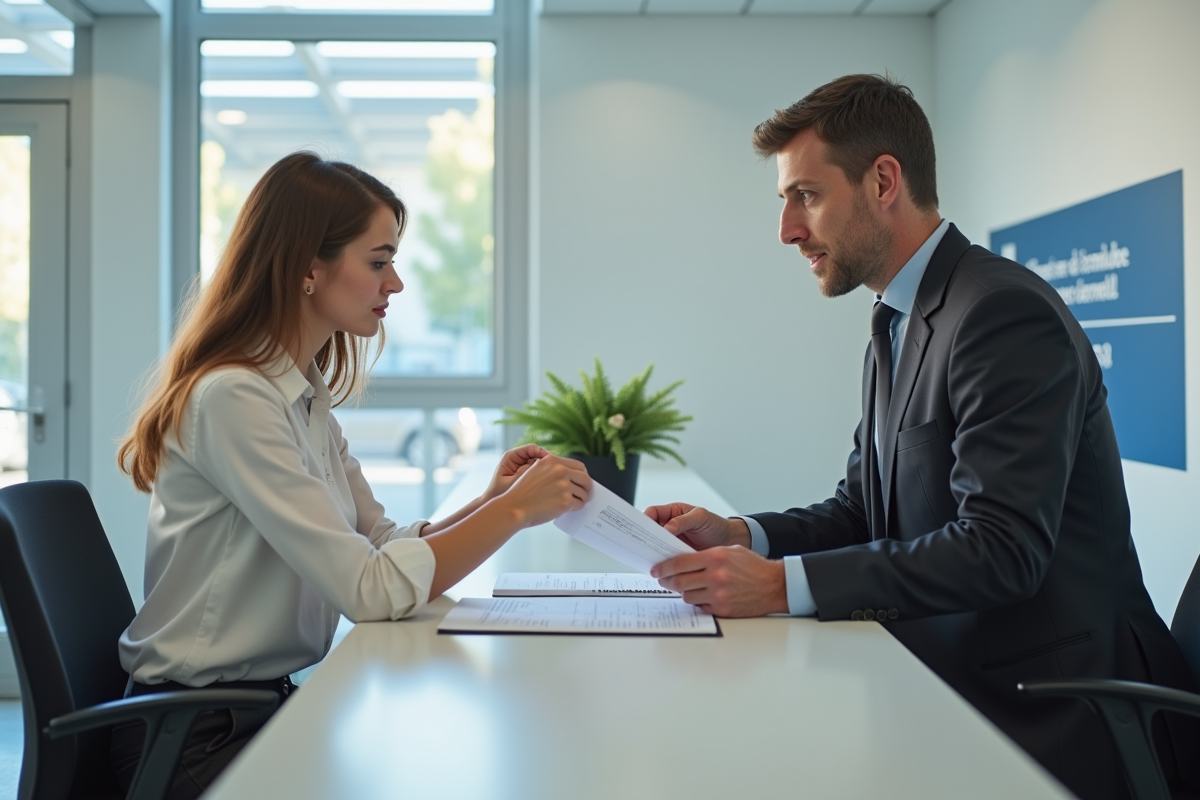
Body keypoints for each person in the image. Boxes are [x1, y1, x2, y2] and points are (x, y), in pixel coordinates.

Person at [644, 74, 1198, 800]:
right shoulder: (897, 318)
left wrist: (779, 587)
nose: (787, 229)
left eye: (805, 195)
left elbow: (1002, 550)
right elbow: (862, 509)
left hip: (1056, 713)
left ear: (883, 181)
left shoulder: (1000, 313)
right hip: (946, 678)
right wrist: (744, 536)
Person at [112, 151, 590, 799]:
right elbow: (370, 590)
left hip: (252, 711)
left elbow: (380, 544)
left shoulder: (299, 393)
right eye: (378, 262)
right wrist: (513, 513)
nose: (396, 284)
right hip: (196, 739)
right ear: (309, 268)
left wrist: (491, 501)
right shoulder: (235, 399)